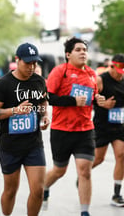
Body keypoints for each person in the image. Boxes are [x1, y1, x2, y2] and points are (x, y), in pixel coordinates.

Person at [42, 37, 105, 216]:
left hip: (85, 130)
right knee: (59, 170)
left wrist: (98, 99)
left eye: (84, 49)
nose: (83, 52)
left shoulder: (92, 75)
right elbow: (50, 98)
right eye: (78, 50)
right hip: (62, 130)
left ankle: (85, 212)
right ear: (68, 54)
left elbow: (91, 98)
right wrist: (72, 101)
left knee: (84, 171)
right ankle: (45, 186)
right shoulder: (59, 72)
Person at [0, 43, 50, 216]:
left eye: (34, 63)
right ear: (17, 60)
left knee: (38, 190)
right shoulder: (4, 84)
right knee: (10, 191)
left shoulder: (39, 81)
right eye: (27, 63)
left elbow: (43, 101)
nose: (31, 67)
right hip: (10, 146)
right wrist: (15, 110)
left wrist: (44, 116)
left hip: (34, 144)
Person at [92, 53, 124, 207]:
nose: (120, 76)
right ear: (112, 67)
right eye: (118, 72)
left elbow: (123, 99)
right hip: (102, 125)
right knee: (98, 159)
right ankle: (84, 175)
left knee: (121, 155)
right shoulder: (100, 79)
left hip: (118, 124)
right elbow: (90, 100)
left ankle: (116, 194)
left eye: (123, 72)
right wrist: (102, 104)